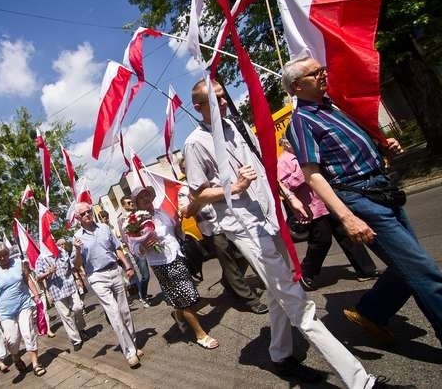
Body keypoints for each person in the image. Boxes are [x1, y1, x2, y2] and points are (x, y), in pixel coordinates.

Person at [183, 78, 380, 388]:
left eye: (223, 97)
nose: (223, 103)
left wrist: (288, 199)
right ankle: (360, 381)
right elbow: (198, 196)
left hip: (269, 216)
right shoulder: (195, 142)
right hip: (244, 227)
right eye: (215, 100)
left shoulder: (237, 126)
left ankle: (280, 354)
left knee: (280, 289)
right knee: (296, 300)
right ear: (198, 107)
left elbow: (264, 165)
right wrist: (233, 187)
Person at [283, 56, 442, 345]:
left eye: (322, 69)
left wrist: (382, 147)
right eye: (314, 73)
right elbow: (313, 175)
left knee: (406, 264)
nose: (322, 74)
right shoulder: (301, 121)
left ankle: (371, 311)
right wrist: (347, 217)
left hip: (382, 189)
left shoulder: (333, 107)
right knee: (425, 272)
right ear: (297, 86)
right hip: (361, 199)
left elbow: (352, 148)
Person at [277, 137, 380, 291]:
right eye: (293, 142)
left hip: (327, 201)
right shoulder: (284, 161)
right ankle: (306, 274)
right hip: (312, 207)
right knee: (321, 240)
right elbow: (284, 186)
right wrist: (302, 172)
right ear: (286, 144)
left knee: (346, 233)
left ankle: (366, 270)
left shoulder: (305, 155)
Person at [128, 185, 219, 349]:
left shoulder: (160, 212)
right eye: (142, 197)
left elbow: (174, 231)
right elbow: (134, 248)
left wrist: (178, 221)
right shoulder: (134, 221)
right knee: (186, 297)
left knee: (182, 295)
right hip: (163, 264)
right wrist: (144, 247)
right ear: (136, 202)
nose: (147, 198)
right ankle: (200, 335)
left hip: (177, 256)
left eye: (148, 195)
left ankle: (178, 315)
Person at [178, 157, 268, 314]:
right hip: (212, 231)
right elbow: (186, 213)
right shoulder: (185, 190)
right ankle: (250, 300)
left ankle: (228, 282)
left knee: (242, 256)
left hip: (232, 224)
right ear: (183, 171)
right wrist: (197, 200)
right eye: (187, 167)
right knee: (229, 264)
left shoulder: (211, 178)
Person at [72, 202, 143, 368]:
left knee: (125, 311)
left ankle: (133, 344)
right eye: (83, 214)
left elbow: (117, 248)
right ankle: (129, 353)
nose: (87, 215)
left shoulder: (104, 228)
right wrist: (76, 250)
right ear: (78, 218)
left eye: (89, 211)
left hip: (114, 270)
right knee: (115, 313)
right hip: (97, 277)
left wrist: (127, 266)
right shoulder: (76, 238)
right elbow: (76, 264)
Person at [0, 242, 47, 377]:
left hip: (23, 304)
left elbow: (27, 279)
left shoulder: (18, 263)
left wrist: (36, 294)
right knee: (12, 340)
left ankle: (35, 363)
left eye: (5, 255)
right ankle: (15, 357)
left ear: (8, 253)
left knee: (28, 333)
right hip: (5, 312)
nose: (2, 258)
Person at [35, 238, 88, 351]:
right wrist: (48, 272)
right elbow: (38, 277)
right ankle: (75, 340)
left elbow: (72, 266)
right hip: (56, 292)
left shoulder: (62, 252)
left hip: (70, 287)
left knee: (78, 307)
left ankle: (80, 328)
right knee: (66, 315)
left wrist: (78, 278)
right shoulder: (41, 259)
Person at [117, 195, 151, 308]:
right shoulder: (122, 219)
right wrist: (133, 250)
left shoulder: (139, 213)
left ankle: (167, 294)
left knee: (158, 269)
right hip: (137, 249)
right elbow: (125, 237)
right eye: (128, 203)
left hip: (149, 245)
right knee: (145, 275)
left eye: (132, 202)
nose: (131, 204)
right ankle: (143, 296)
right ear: (123, 206)